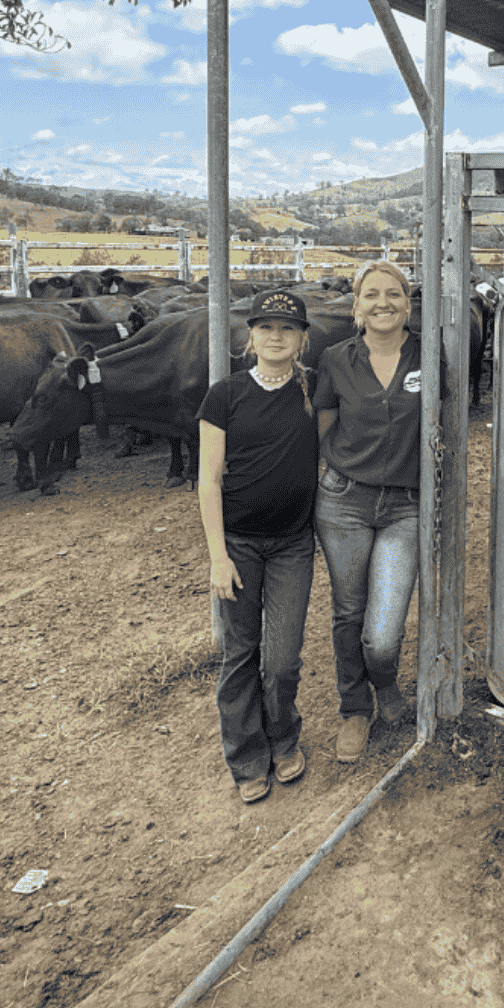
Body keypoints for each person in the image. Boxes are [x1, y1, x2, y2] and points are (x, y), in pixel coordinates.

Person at [312, 259, 444, 763]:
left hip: (405, 507)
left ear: (408, 304)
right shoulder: (335, 359)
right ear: (356, 306)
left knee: (383, 632)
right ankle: (355, 707)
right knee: (348, 610)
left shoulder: (430, 355)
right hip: (343, 501)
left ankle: (384, 679)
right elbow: (325, 422)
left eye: (393, 293)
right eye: (371, 294)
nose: (382, 303)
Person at [197, 289, 318, 805]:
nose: (276, 336)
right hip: (239, 545)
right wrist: (218, 557)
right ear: (250, 336)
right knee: (240, 652)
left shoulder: (314, 390)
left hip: (293, 545)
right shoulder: (224, 395)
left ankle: (283, 736)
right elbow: (208, 479)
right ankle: (247, 757)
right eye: (266, 327)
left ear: (302, 339)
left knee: (282, 659)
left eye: (288, 328)